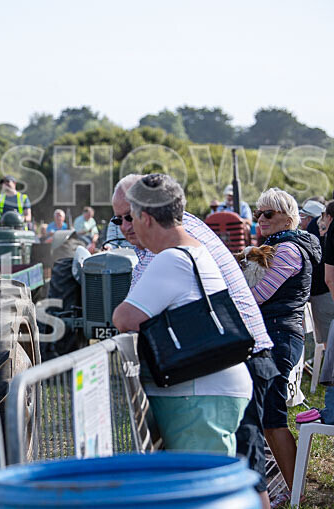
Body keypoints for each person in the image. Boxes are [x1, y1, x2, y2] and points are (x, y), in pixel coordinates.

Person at [112, 173, 275, 508]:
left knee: (202, 495)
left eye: (129, 218)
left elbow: (124, 318)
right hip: (217, 387)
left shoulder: (171, 258)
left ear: (145, 217)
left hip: (198, 397)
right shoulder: (195, 249)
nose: (125, 228)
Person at [249, 188, 321, 498]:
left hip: (279, 335)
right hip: (277, 334)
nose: (260, 220)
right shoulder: (279, 245)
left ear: (288, 218)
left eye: (268, 214)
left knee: (273, 419)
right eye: (258, 214)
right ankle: (294, 490)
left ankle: (296, 493)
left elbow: (258, 296)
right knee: (269, 418)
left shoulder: (288, 249)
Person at [297, 200, 334, 426]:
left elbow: (329, 277)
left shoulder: (316, 231)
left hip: (323, 294)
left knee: (328, 345)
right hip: (323, 294)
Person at [300, 199, 334, 348]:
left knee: (328, 342)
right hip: (326, 291)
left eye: (302, 217)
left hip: (323, 293)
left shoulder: (314, 228)